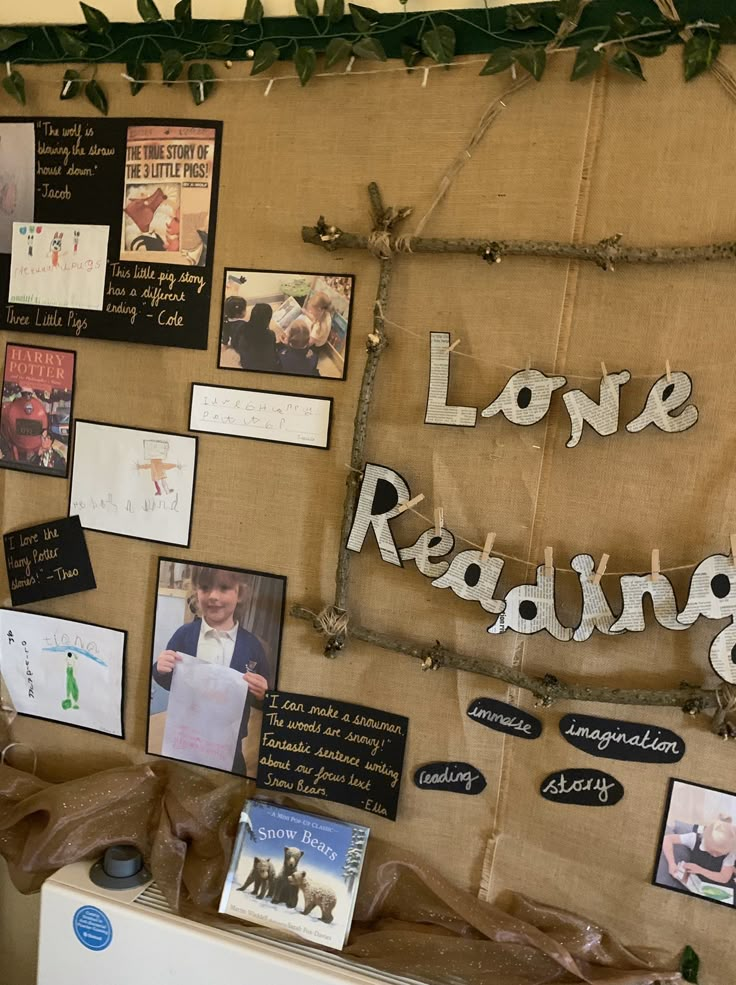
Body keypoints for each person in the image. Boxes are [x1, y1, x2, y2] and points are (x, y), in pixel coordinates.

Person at [153, 566, 270, 776]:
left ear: (240, 594)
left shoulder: (253, 646)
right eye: (205, 588)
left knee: (230, 786)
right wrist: (160, 669)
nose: (213, 596)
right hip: (186, 736)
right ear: (196, 592)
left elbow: (263, 698)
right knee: (180, 780)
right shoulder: (184, 635)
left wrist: (263, 695)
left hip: (229, 742)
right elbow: (169, 680)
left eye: (224, 588)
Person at [662, 814, 736, 885]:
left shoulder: (730, 853)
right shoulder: (694, 839)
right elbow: (667, 839)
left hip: (721, 887)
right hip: (697, 884)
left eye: (720, 853)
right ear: (706, 841)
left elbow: (724, 878)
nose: (715, 855)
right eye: (713, 851)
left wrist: (700, 870)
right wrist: (671, 863)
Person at [235, 302, 281, 373]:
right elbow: (273, 350)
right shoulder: (270, 335)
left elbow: (235, 344)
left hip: (246, 364)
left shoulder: (241, 328)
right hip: (266, 367)